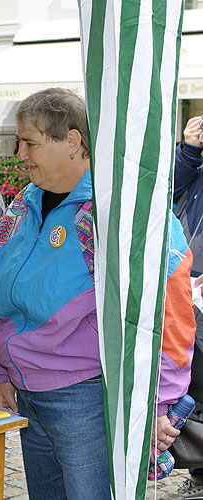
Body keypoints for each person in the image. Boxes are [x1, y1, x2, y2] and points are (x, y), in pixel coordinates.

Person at [0, 88, 195, 500]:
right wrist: (3, 372)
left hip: (87, 397)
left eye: (30, 142)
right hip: (28, 394)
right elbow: (4, 296)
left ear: (73, 140)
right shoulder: (21, 207)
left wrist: (158, 402)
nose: (20, 154)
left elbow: (169, 304)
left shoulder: (118, 211)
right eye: (19, 142)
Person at [167, 116, 203, 500]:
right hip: (189, 288)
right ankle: (200, 470)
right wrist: (189, 150)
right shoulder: (195, 163)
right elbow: (166, 192)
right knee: (193, 383)